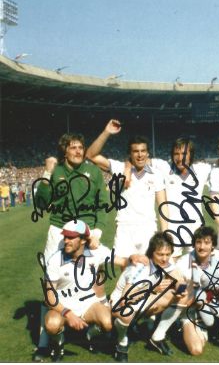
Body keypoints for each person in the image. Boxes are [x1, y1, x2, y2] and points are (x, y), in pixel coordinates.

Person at [33, 133, 109, 361]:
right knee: (50, 282)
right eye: (72, 147)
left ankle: (93, 329)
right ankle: (45, 342)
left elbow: (102, 204)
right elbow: (42, 203)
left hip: (86, 231)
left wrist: (97, 231)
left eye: (80, 147)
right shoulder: (56, 172)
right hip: (59, 230)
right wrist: (46, 173)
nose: (77, 151)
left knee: (98, 274)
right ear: (64, 151)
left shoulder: (93, 171)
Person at [86, 119, 168, 268]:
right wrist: (107, 132)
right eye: (136, 151)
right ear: (130, 154)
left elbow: (162, 206)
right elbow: (91, 155)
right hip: (125, 226)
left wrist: (166, 233)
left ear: (148, 152)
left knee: (149, 272)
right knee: (126, 271)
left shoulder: (157, 174)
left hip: (147, 227)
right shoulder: (119, 168)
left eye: (143, 151)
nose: (140, 155)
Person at [42, 220, 114, 362]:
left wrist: (134, 257)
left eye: (70, 237)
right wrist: (68, 314)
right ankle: (59, 342)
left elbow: (121, 261)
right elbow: (49, 297)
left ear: (82, 240)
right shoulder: (55, 259)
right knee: (51, 325)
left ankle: (89, 335)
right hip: (63, 305)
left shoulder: (95, 253)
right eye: (65, 237)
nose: (66, 241)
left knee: (108, 323)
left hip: (89, 304)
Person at [110, 232, 187, 361]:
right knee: (126, 313)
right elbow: (125, 299)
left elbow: (180, 280)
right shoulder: (140, 268)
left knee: (181, 297)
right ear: (151, 253)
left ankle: (157, 337)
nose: (164, 258)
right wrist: (152, 288)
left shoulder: (167, 263)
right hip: (120, 303)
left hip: (143, 299)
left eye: (168, 254)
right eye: (160, 254)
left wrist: (180, 288)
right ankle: (121, 341)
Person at [175, 226, 219, 355]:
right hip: (192, 307)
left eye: (207, 242)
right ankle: (183, 324)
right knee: (196, 350)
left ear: (213, 245)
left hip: (212, 302)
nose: (202, 247)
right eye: (198, 242)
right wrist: (187, 294)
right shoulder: (184, 262)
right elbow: (179, 291)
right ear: (194, 244)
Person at [145, 137, 212, 260]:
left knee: (199, 267)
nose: (180, 157)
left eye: (184, 153)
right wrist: (128, 167)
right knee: (170, 268)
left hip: (196, 228)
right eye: (176, 153)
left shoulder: (202, 169)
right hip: (173, 228)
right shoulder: (164, 167)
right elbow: (139, 159)